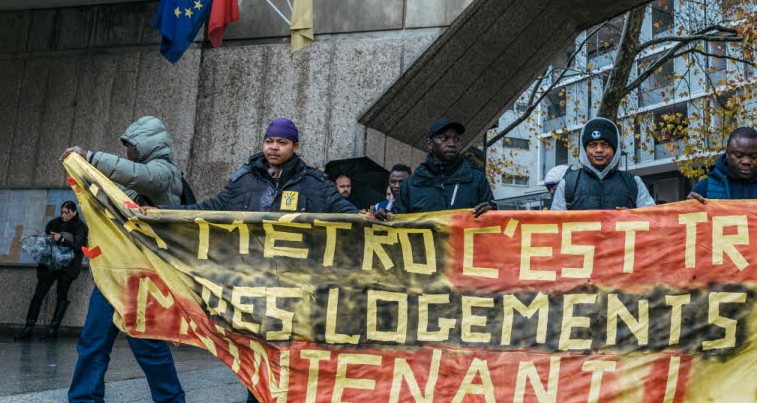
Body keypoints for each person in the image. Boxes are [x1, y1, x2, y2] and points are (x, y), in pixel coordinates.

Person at [59, 116, 186, 403]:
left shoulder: (165, 174)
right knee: (93, 342)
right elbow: (120, 194)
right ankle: (84, 399)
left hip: (145, 277)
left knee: (148, 348)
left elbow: (137, 176)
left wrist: (89, 158)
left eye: (130, 147)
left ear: (144, 146)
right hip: (114, 272)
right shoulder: (142, 177)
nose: (127, 152)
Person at [157, 118, 357, 215]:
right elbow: (209, 209)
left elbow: (346, 212)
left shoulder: (316, 183)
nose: (274, 147)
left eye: (282, 142)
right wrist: (158, 212)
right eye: (269, 141)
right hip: (250, 275)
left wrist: (372, 217)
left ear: (295, 146)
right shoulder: (243, 179)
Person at [386, 118, 495, 217]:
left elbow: (495, 223)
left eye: (456, 139)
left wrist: (491, 212)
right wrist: (382, 218)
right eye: (444, 138)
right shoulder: (411, 184)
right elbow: (396, 222)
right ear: (430, 144)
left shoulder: (477, 179)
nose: (452, 144)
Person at [14, 200, 88, 341]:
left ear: (74, 212)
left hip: (68, 267)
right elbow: (46, 239)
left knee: (62, 295)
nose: (64, 215)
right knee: (38, 295)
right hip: (49, 264)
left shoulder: (80, 227)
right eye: (62, 212)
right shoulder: (54, 223)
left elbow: (79, 246)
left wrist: (62, 240)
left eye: (67, 213)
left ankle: (52, 330)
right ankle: (28, 328)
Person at [550, 118, 655, 210]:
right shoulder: (568, 183)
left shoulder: (633, 183)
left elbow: (653, 221)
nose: (599, 150)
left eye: (605, 144)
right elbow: (553, 225)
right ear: (584, 149)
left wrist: (632, 217)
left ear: (615, 149)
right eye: (592, 145)